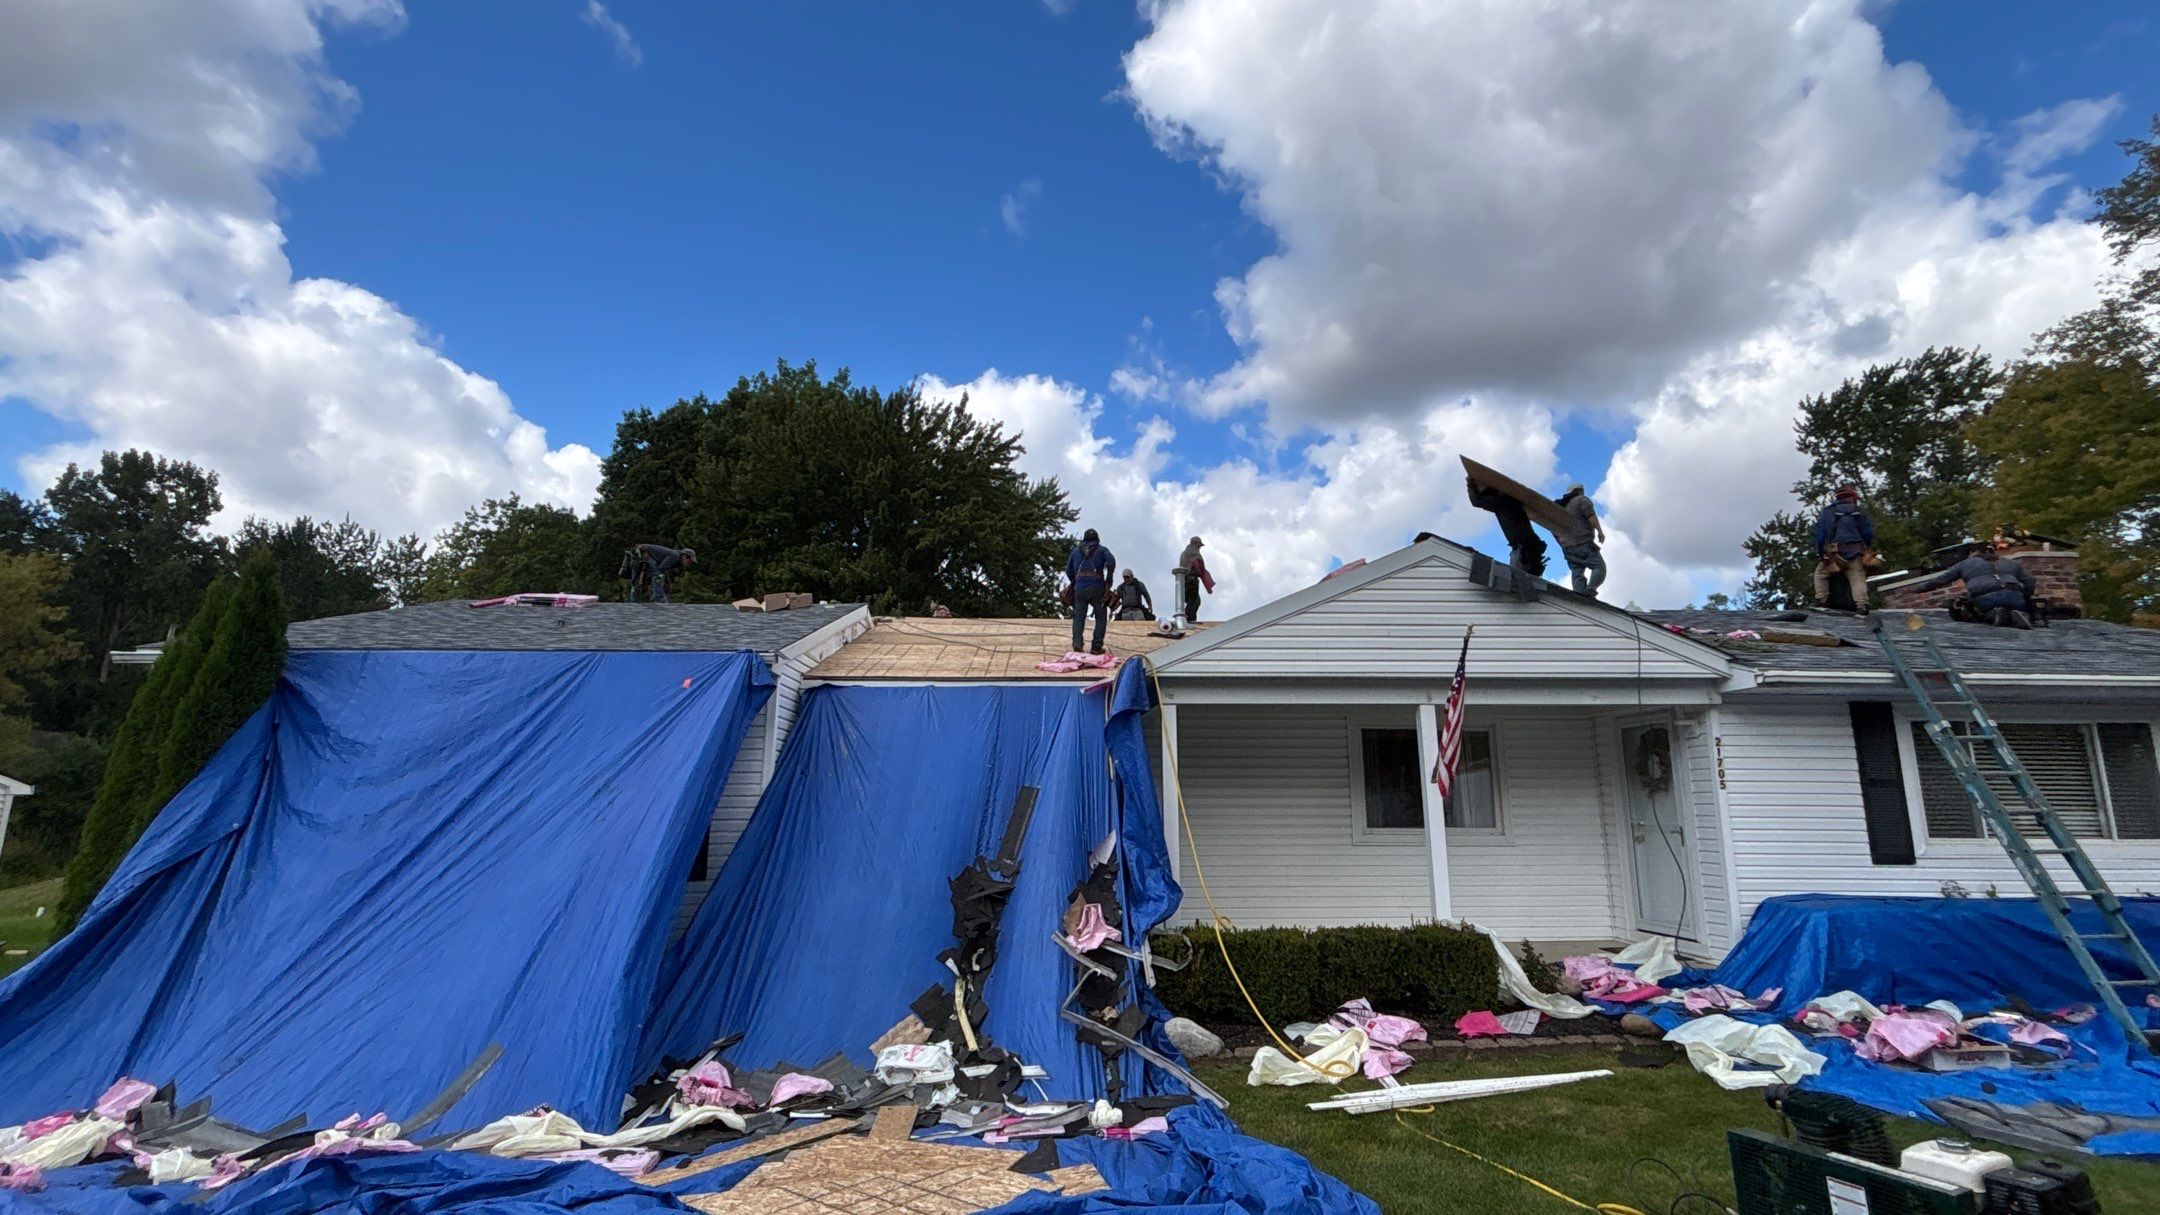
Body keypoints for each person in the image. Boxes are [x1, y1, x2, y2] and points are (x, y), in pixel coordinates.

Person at [1907, 540, 2038, 629]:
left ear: (1973, 552)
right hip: (2015, 594)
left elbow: (1941, 580)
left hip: (1985, 597)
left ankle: (1993, 615)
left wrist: (1917, 590)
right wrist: (2025, 597)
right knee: (2018, 605)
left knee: (1970, 610)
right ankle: (2021, 613)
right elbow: (2030, 582)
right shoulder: (2010, 563)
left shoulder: (1966, 563)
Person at [1464, 476, 1549, 578]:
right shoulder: (1513, 503)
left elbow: (1476, 502)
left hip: (1524, 549)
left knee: (1515, 582)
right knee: (1527, 580)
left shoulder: (1501, 503)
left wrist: (1470, 485)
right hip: (1530, 548)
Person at [1811, 485, 1876, 613]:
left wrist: (1820, 553)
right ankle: (1862, 604)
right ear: (1852, 497)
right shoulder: (1859, 511)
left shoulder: (1827, 512)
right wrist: (1867, 548)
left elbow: (1819, 535)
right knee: (1857, 576)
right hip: (1855, 550)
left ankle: (1821, 600)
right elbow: (1868, 533)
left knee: (1820, 574)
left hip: (1835, 553)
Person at [1065, 528, 1116, 654]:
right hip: (1097, 587)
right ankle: (1096, 647)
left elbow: (1068, 569)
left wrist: (1075, 581)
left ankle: (1077, 643)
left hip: (1080, 588)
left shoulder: (1076, 551)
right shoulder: (1102, 550)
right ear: (1097, 539)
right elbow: (1111, 562)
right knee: (1100, 617)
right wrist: (1109, 580)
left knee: (1079, 617)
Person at [1555, 484, 1606, 597]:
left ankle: (1580, 598)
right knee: (1599, 567)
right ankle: (1590, 591)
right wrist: (1600, 532)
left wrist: (1562, 544)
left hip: (1568, 547)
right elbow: (1591, 516)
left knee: (1577, 573)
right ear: (1580, 491)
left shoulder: (1560, 507)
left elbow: (1553, 529)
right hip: (1583, 543)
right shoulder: (1582, 500)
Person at [631, 543, 695, 603]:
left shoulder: (677, 559)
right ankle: (659, 599)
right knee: (658, 576)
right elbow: (661, 569)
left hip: (639, 553)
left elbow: (664, 569)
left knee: (637, 580)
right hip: (643, 552)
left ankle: (634, 601)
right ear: (685, 556)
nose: (689, 564)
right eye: (689, 562)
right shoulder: (675, 556)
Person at [1175, 536, 1215, 622]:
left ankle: (1187, 617)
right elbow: (1201, 564)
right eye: (1199, 545)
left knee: (1194, 600)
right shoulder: (1194, 552)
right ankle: (1190, 619)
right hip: (1191, 579)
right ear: (1195, 543)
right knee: (1194, 601)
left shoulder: (1184, 552)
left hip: (1184, 579)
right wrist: (1203, 574)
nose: (1200, 547)